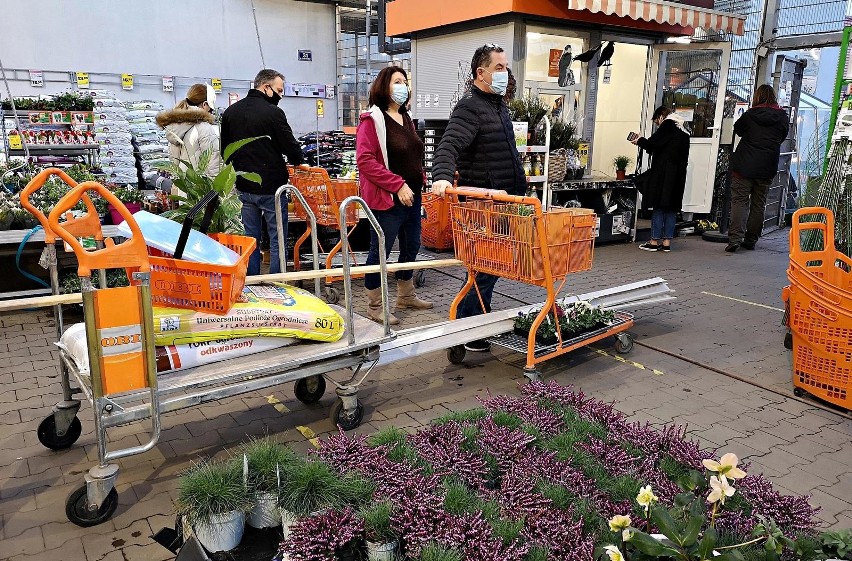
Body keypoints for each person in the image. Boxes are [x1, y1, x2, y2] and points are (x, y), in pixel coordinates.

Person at [431, 44, 526, 352]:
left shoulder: (497, 105)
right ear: (480, 73)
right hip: (485, 205)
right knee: (486, 267)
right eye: (499, 68)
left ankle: (474, 322)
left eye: (506, 67)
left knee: (490, 267)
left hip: (505, 201)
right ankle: (465, 326)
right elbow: (448, 145)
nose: (505, 73)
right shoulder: (470, 107)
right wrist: (442, 177)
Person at [356, 66, 432, 325]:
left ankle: (405, 295)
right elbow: (365, 161)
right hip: (387, 198)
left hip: (413, 196)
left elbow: (411, 153)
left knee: (412, 245)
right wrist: (397, 185)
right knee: (380, 252)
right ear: (384, 87)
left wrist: (420, 178)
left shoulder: (406, 118)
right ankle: (375, 307)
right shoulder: (372, 120)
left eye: (405, 81)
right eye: (397, 81)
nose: (403, 86)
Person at [220, 68, 303, 275]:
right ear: (266, 87)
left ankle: (252, 282)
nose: (280, 96)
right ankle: (277, 283)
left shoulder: (231, 112)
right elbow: (290, 146)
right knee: (277, 239)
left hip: (244, 186)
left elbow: (225, 151)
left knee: (250, 238)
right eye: (279, 90)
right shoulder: (273, 113)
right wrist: (298, 160)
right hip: (272, 188)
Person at [726, 84, 788, 252]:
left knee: (739, 202)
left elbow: (738, 130)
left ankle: (734, 240)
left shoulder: (749, 115)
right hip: (766, 166)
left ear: (757, 97)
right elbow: (782, 136)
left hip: (744, 166)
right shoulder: (782, 116)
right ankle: (751, 239)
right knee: (758, 204)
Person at [630, 106, 691, 252]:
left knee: (659, 207)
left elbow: (653, 144)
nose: (658, 124)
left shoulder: (668, 125)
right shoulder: (684, 129)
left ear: (661, 116)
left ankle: (653, 241)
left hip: (664, 176)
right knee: (671, 208)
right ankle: (666, 243)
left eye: (657, 121)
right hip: (678, 176)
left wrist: (639, 140)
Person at [156, 83, 221, 177]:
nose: (210, 113)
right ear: (204, 104)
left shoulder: (174, 127)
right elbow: (213, 165)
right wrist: (217, 190)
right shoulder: (204, 128)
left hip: (182, 186)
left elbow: (174, 162)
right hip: (201, 188)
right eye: (210, 110)